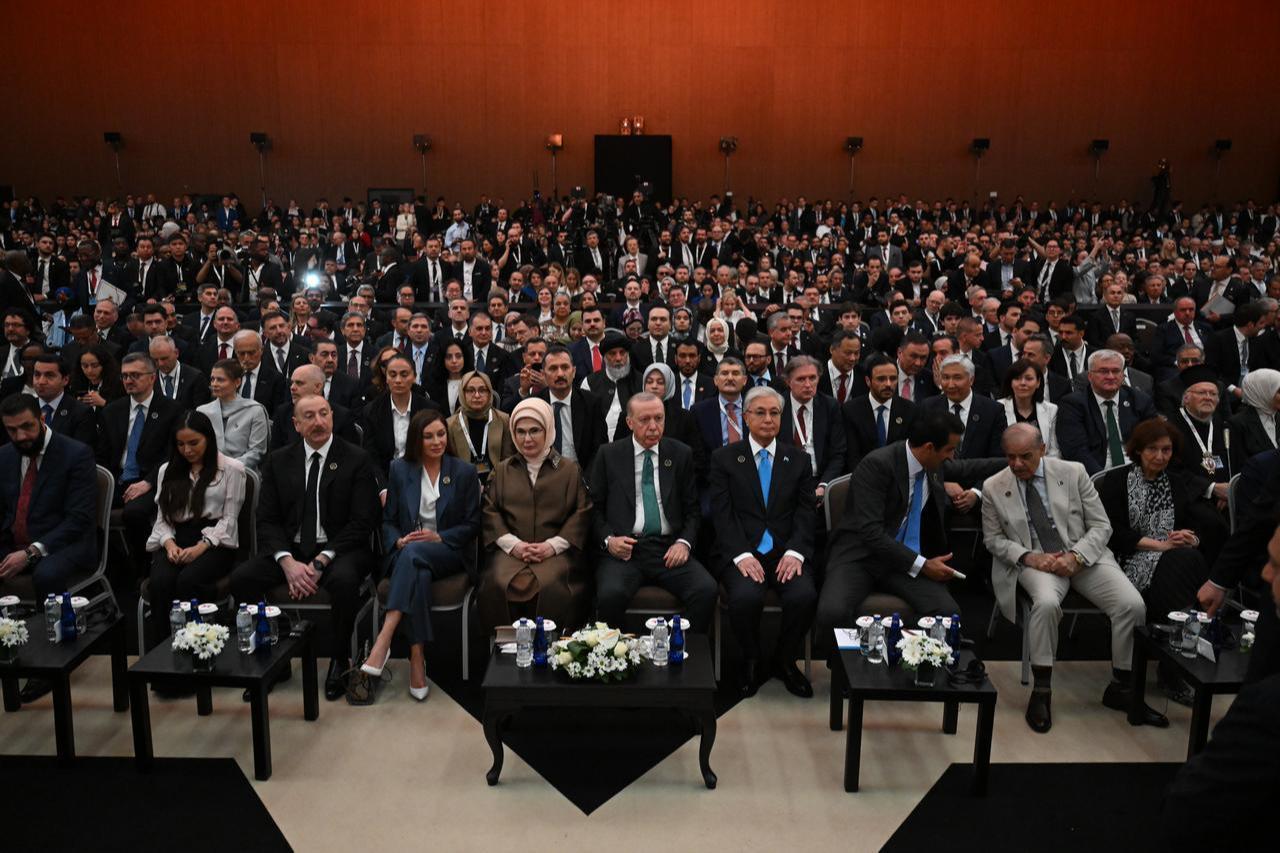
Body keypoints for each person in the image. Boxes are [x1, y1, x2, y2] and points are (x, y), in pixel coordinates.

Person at [980, 423, 1167, 733]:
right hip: (1034, 559)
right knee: (1046, 604)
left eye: (1025, 456)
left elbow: (1102, 526)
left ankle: (1121, 687)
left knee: (1131, 605)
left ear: (1042, 450)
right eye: (1010, 457)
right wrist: (1030, 557)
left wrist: (1077, 557)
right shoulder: (993, 486)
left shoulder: (1073, 472)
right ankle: (1042, 690)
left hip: (1083, 553)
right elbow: (994, 540)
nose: (1017, 465)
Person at [229, 394, 379, 701]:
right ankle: (277, 653)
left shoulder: (356, 458)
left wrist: (322, 560)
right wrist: (287, 562)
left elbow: (363, 521)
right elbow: (267, 519)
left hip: (340, 548)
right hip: (291, 549)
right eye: (309, 416)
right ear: (296, 425)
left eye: (324, 413)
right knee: (243, 578)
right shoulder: (279, 460)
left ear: (332, 418)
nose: (319, 422)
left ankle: (340, 659)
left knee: (344, 582)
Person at [819, 411, 1000, 642]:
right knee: (832, 613)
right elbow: (871, 533)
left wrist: (1016, 461)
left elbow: (969, 468)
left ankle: (903, 657)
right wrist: (923, 565)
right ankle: (850, 671)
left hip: (901, 560)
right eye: (949, 450)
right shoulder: (877, 465)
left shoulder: (933, 463)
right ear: (928, 447)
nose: (952, 457)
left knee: (947, 614)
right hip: (860, 555)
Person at [1095, 418, 1227, 704]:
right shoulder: (1117, 481)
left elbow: (1195, 526)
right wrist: (1161, 544)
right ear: (1138, 451)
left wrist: (1189, 537)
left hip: (1171, 559)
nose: (1159, 456)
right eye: (1152, 449)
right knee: (1185, 565)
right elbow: (1111, 533)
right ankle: (1173, 665)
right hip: (1127, 557)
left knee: (1187, 558)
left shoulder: (1177, 482)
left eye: (1166, 450)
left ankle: (1167, 656)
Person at [358, 410, 481, 701]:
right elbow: (387, 520)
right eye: (428, 436)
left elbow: (473, 524)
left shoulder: (463, 471)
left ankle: (384, 639)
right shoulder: (400, 469)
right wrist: (398, 541)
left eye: (441, 434)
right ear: (417, 439)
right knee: (417, 569)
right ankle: (417, 655)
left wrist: (440, 536)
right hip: (409, 554)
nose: (437, 441)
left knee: (414, 556)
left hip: (448, 551)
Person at [709, 386, 818, 699]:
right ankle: (752, 660)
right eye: (760, 412)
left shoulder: (798, 459)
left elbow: (805, 513)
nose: (768, 419)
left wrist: (796, 552)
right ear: (746, 418)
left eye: (774, 413)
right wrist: (741, 555)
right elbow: (722, 514)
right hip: (742, 550)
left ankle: (785, 661)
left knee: (803, 596)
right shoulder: (725, 458)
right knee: (744, 598)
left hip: (786, 551)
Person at [589, 392, 717, 632]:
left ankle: (675, 649)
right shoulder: (609, 455)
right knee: (610, 595)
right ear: (629, 423)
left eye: (659, 418)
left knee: (705, 590)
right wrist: (609, 540)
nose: (653, 426)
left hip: (668, 548)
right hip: (625, 549)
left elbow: (692, 510)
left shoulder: (680, 454)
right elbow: (594, 509)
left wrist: (684, 543)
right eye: (644, 420)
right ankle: (623, 657)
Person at [0, 394, 98, 704]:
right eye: (12, 430)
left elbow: (79, 519)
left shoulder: (75, 454)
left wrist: (31, 552)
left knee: (47, 574)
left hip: (65, 543)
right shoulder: (4, 456)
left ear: (42, 420)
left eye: (27, 427)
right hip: (15, 539)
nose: (21, 436)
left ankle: (48, 664)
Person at [478, 397, 592, 633]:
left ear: (548, 429)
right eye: (520, 432)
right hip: (511, 552)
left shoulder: (569, 470)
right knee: (498, 582)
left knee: (551, 585)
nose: (527, 439)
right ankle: (505, 652)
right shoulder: (502, 470)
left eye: (534, 431)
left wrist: (552, 546)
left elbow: (581, 513)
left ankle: (550, 652)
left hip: (555, 553)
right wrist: (515, 545)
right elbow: (490, 511)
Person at [143, 411, 247, 653]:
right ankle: (163, 655)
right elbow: (162, 519)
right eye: (181, 444)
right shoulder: (167, 470)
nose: (187, 450)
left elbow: (229, 520)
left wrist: (201, 546)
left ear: (208, 439)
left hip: (216, 542)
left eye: (193, 443)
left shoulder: (232, 469)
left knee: (188, 581)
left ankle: (198, 652)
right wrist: (169, 544)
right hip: (176, 538)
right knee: (160, 582)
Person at [97, 353, 183, 573]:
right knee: (83, 506)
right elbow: (103, 454)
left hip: (153, 480)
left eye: (135, 375)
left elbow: (174, 454)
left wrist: (148, 482)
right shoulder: (112, 411)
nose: (128, 380)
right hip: (117, 479)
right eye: (125, 376)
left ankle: (143, 570)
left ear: (152, 378)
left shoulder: (171, 409)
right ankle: (109, 566)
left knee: (134, 513)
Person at [1056, 349, 1158, 475]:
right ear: (1089, 376)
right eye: (1103, 371)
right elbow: (1076, 451)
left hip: (1139, 471)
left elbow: (1154, 440)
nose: (1110, 376)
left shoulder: (1140, 400)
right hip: (1096, 474)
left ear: (1123, 375)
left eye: (1116, 371)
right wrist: (1106, 480)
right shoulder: (1073, 404)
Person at [361, 352, 438, 492]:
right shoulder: (372, 411)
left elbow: (435, 450)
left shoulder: (429, 409)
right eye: (392, 374)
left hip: (423, 477)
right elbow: (371, 456)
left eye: (404, 374)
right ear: (386, 378)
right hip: (386, 478)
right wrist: (383, 488)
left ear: (414, 377)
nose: (398, 380)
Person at [919, 354, 1006, 458]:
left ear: (971, 380)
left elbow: (997, 456)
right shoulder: (928, 407)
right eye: (946, 377)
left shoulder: (993, 410)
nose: (950, 385)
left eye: (957, 378)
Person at [196, 359, 270, 471]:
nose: (214, 384)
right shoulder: (202, 411)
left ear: (237, 382)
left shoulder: (255, 410)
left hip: (243, 473)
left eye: (220, 380)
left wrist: (229, 467)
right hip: (209, 470)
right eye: (212, 379)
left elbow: (257, 451)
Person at [445, 370, 515, 485]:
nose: (477, 395)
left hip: (498, 481)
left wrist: (494, 480)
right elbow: (450, 463)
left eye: (482, 390)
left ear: (490, 393)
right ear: (462, 393)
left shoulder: (504, 419)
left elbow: (508, 458)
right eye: (470, 390)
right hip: (462, 485)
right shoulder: (450, 425)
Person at [997, 357, 1059, 457]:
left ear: (1038, 382)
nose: (1023, 383)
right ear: (1010, 382)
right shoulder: (997, 408)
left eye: (1029, 379)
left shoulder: (1051, 410)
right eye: (1017, 378)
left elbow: (1054, 451)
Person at [1228, 368, 1280, 471]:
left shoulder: (1278, 417)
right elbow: (1240, 466)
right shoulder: (1237, 424)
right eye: (1279, 391)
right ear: (1263, 392)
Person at [423, 338, 472, 414]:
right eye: (449, 357)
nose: (454, 361)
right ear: (443, 359)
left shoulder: (473, 381)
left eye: (458, 356)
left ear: (465, 358)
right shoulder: (433, 384)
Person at [69, 343, 125, 410]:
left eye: (95, 365)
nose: (89, 370)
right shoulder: (76, 384)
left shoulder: (118, 385)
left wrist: (103, 403)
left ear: (104, 365)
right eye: (85, 366)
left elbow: (122, 412)